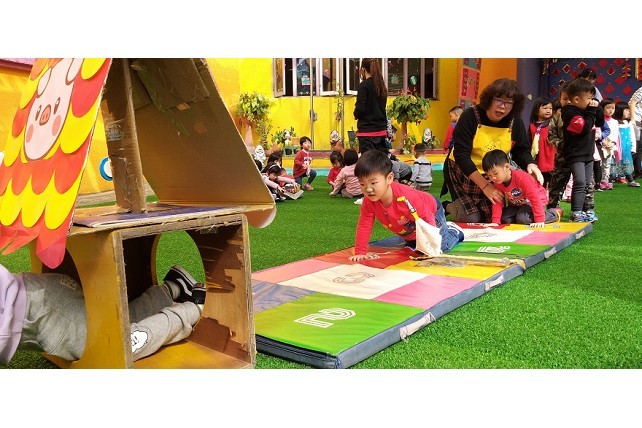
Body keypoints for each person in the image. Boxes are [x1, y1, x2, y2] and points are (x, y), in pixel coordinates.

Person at [0, 263, 205, 366]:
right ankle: (173, 287)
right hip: (38, 295)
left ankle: (192, 309)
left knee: (116, 350)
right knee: (112, 330)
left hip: (46, 312)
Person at [441, 78, 543, 223]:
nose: (502, 107)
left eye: (508, 103)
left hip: (492, 173)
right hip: (462, 171)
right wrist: (485, 186)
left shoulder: (515, 122)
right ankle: (447, 206)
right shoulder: (470, 116)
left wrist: (530, 163)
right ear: (489, 99)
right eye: (498, 101)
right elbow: (461, 155)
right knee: (471, 217)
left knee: (492, 218)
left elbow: (521, 151)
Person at [348, 150, 464, 262]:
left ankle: (453, 231)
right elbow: (364, 224)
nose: (368, 189)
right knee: (414, 246)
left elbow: (427, 217)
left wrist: (430, 247)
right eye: (362, 184)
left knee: (440, 248)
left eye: (373, 183)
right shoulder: (369, 201)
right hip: (410, 225)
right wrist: (360, 252)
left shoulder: (406, 197)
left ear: (389, 178)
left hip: (431, 212)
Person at [482, 150, 562, 226]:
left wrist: (539, 220)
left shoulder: (521, 178)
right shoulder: (498, 182)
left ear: (506, 167)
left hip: (535, 201)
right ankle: (522, 216)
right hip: (518, 204)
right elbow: (498, 200)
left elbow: (534, 197)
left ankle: (554, 213)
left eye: (495, 173)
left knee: (523, 219)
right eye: (489, 175)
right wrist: (496, 221)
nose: (493, 178)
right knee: (505, 219)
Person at [560, 78, 602, 222]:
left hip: (588, 153)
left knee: (587, 183)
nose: (591, 101)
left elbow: (600, 122)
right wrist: (592, 110)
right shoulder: (569, 111)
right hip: (575, 154)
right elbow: (583, 128)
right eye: (589, 98)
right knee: (580, 182)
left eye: (592, 98)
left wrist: (597, 108)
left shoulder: (588, 110)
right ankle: (576, 212)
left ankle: (585, 210)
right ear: (577, 99)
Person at [353, 58, 389, 155]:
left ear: (363, 69)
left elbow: (360, 108)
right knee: (381, 162)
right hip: (381, 131)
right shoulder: (382, 86)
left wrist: (355, 114)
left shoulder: (364, 85)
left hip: (367, 132)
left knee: (368, 162)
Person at [612, 101, 640, 187]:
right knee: (613, 164)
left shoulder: (628, 123)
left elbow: (632, 136)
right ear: (620, 110)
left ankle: (630, 180)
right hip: (617, 148)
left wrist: (633, 148)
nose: (628, 112)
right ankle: (610, 179)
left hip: (626, 148)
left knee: (626, 164)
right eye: (626, 110)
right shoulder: (614, 122)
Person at [528, 96, 555, 189]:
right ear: (536, 111)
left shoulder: (553, 124)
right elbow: (529, 143)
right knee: (539, 184)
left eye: (550, 108)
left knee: (552, 184)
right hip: (538, 161)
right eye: (545, 108)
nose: (548, 110)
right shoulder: (531, 127)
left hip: (552, 160)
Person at [599, 98, 617, 190]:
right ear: (602, 108)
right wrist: (602, 141)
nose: (611, 110)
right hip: (600, 144)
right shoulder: (599, 120)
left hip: (610, 146)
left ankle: (605, 181)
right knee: (599, 163)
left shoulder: (615, 122)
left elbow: (616, 134)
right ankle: (597, 181)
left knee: (607, 164)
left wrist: (613, 143)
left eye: (613, 108)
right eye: (608, 107)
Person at [628, 86, 642, 178]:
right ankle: (635, 170)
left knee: (639, 146)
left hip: (640, 120)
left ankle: (638, 170)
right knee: (636, 145)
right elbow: (632, 103)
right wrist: (633, 119)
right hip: (636, 119)